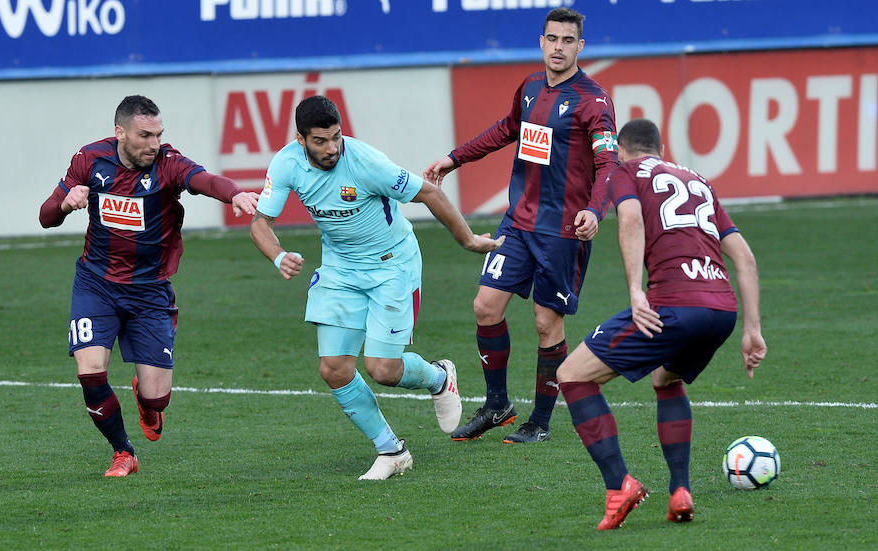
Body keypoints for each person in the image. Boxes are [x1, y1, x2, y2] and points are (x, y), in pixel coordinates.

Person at [250, 95, 503, 480]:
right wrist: (277, 256)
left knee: (382, 369)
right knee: (334, 368)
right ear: (300, 139)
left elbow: (430, 193)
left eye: (336, 137)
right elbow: (260, 223)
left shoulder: (366, 162)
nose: (332, 148)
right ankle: (391, 451)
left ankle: (439, 377)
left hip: (391, 266)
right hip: (339, 268)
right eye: (320, 141)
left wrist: (468, 241)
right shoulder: (286, 163)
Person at [556, 118, 767, 530]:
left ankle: (620, 486)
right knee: (666, 379)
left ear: (620, 150)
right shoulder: (698, 180)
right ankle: (680, 491)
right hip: (721, 311)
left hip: (675, 304)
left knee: (573, 375)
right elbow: (744, 257)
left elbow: (631, 219)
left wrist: (636, 291)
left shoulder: (624, 171)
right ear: (661, 147)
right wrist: (752, 329)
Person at [423, 7, 618, 444]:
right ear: (542, 40)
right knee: (485, 306)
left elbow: (608, 161)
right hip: (519, 221)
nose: (558, 48)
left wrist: (594, 211)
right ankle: (497, 406)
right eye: (552, 39)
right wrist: (455, 158)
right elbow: (506, 129)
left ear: (580, 47)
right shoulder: (530, 86)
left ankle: (542, 421)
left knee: (547, 325)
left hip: (563, 230)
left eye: (568, 41)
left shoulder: (594, 100)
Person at [39, 95, 259, 477]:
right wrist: (64, 203)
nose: (154, 143)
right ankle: (123, 451)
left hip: (149, 290)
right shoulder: (90, 160)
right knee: (90, 372)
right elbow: (45, 217)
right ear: (120, 133)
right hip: (97, 283)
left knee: (158, 399)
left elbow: (203, 180)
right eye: (145, 135)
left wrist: (235, 192)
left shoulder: (168, 164)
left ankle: (145, 396)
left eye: (159, 134)